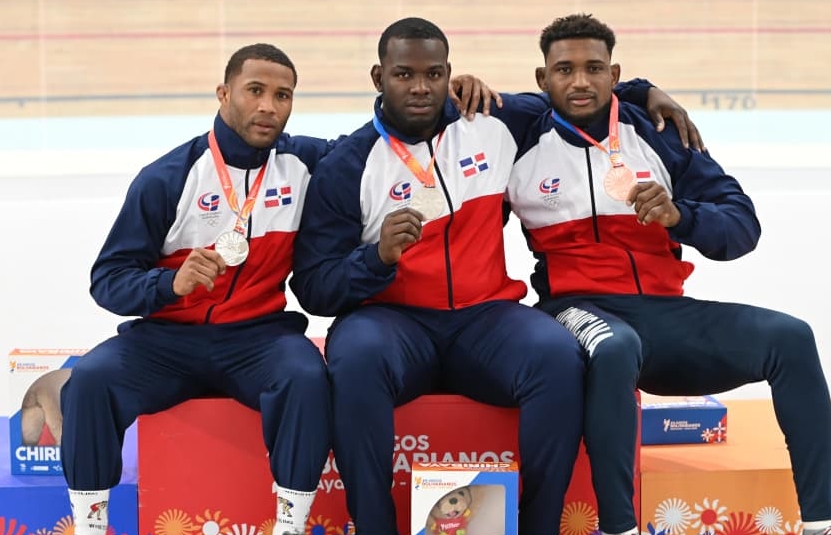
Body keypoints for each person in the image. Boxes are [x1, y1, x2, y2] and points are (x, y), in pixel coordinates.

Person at [290, 16, 702, 535]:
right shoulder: (348, 165)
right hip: (391, 323)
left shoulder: (494, 121)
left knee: (556, 356)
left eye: (433, 74)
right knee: (356, 360)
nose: (420, 87)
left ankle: (539, 526)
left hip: (485, 318)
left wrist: (643, 92)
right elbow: (313, 288)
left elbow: (576, 92)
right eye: (403, 74)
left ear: (449, 75)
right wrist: (375, 260)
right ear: (379, 77)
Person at [506, 13, 831, 535]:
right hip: (576, 309)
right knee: (614, 346)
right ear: (543, 79)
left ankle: (821, 521)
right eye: (564, 70)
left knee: (791, 337)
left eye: (594, 68)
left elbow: (742, 226)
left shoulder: (658, 135)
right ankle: (620, 527)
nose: (580, 81)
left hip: (666, 314)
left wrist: (681, 216)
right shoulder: (519, 136)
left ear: (614, 74)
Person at [59, 43, 335, 535]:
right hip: (167, 342)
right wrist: (169, 283)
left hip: (258, 338)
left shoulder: (306, 162)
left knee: (305, 377)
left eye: (283, 95)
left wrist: (452, 102)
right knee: (90, 381)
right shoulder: (167, 177)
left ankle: (291, 526)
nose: (269, 106)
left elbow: (379, 141)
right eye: (255, 91)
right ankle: (90, 526)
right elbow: (108, 280)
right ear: (223, 93)